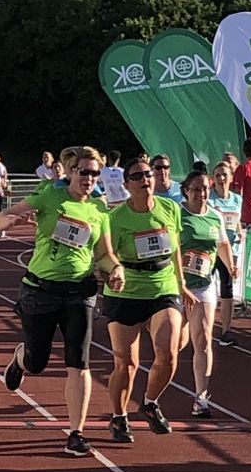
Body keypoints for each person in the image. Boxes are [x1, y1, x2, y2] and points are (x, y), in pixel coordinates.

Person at [0, 147, 123, 457]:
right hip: (40, 290)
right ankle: (21, 359)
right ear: (71, 171)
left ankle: (76, 432)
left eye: (95, 173)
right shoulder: (50, 195)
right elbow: (1, 218)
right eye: (84, 172)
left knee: (78, 362)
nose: (89, 178)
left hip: (80, 292)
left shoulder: (99, 209)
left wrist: (116, 270)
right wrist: (7, 221)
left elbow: (104, 254)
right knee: (37, 362)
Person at [103, 154, 188, 441]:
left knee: (169, 352)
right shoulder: (116, 218)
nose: (145, 180)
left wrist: (182, 283)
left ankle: (150, 403)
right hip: (126, 290)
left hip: (163, 286)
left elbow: (175, 248)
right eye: (137, 176)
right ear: (126, 184)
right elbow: (106, 254)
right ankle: (118, 417)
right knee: (126, 363)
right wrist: (114, 271)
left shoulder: (170, 208)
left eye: (148, 174)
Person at [179, 167, 234, 416]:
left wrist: (230, 265)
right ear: (186, 191)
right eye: (196, 189)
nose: (201, 194)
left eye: (204, 189)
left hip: (203, 285)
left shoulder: (215, 216)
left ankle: (201, 398)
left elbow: (222, 242)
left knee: (202, 339)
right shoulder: (177, 214)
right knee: (174, 345)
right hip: (176, 285)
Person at [209, 159, 243, 344]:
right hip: (210, 249)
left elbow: (236, 221)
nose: (221, 178)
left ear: (231, 177)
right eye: (218, 175)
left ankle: (226, 331)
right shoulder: (209, 198)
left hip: (230, 250)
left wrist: (240, 231)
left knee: (227, 289)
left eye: (224, 175)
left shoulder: (237, 199)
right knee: (203, 287)